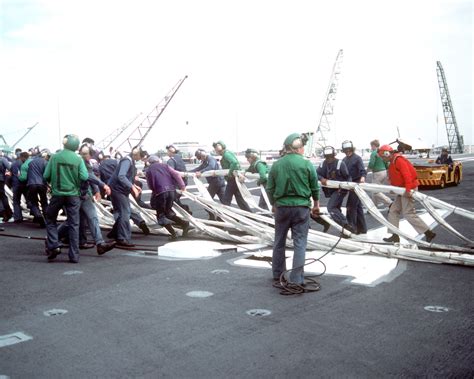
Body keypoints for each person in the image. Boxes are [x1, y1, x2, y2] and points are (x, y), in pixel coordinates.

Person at [267, 133, 320, 287]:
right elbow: (314, 187)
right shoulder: (306, 163)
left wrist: (273, 204)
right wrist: (316, 204)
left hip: (282, 207)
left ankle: (278, 274)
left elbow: (270, 188)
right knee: (300, 243)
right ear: (298, 147)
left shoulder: (277, 165)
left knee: (279, 241)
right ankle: (297, 279)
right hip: (301, 208)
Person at [58, 144, 116, 255]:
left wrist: (96, 191)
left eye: (87, 154)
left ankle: (100, 244)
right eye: (83, 154)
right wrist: (103, 185)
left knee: (93, 218)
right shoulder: (78, 162)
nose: (85, 156)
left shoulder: (86, 163)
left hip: (84, 195)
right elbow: (89, 176)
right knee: (72, 221)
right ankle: (52, 238)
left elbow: (90, 177)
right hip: (74, 196)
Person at [43, 134, 89, 263]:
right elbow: (85, 177)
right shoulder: (79, 159)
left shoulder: (55, 157)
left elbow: (46, 175)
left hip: (57, 194)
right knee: (74, 224)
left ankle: (53, 245)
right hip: (73, 195)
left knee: (50, 219)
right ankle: (74, 255)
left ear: (64, 143)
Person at [378, 144, 436, 243]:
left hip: (408, 189)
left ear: (387, 153)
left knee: (408, 213)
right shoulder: (392, 161)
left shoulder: (398, 160)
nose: (383, 159)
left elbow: (407, 175)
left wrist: (408, 190)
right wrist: (394, 188)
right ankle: (395, 236)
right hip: (401, 190)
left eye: (383, 157)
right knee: (393, 210)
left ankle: (428, 233)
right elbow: (394, 176)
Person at [107, 146, 148, 247]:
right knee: (126, 212)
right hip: (118, 190)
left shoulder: (130, 160)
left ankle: (116, 233)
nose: (141, 158)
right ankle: (123, 238)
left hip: (117, 189)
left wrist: (134, 186)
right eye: (141, 155)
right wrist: (132, 187)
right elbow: (121, 176)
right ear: (136, 154)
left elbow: (126, 177)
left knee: (121, 212)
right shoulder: (127, 160)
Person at [146, 155, 190, 240]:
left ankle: (173, 234)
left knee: (161, 216)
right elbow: (176, 174)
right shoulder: (165, 166)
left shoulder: (149, 170)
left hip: (161, 192)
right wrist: (182, 185)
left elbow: (150, 184)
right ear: (158, 160)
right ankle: (184, 224)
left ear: (149, 162)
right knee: (168, 212)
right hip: (171, 191)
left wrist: (154, 191)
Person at [317, 146, 353, 233]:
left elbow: (348, 177)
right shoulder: (323, 164)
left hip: (340, 190)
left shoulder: (340, 164)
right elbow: (316, 173)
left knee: (331, 207)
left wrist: (346, 188)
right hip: (331, 190)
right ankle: (344, 231)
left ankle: (346, 226)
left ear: (334, 155)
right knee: (336, 208)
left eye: (330, 156)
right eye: (327, 157)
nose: (329, 158)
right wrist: (321, 178)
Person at [213, 140, 252, 212]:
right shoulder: (226, 154)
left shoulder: (226, 154)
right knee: (240, 201)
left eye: (216, 147)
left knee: (226, 200)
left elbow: (234, 163)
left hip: (232, 179)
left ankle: (224, 217)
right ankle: (252, 217)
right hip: (234, 179)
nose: (215, 149)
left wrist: (230, 173)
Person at [189, 149, 226, 220]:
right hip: (219, 182)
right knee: (224, 202)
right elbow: (198, 168)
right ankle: (223, 217)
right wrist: (186, 172)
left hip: (215, 182)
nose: (200, 160)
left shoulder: (210, 159)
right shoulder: (205, 161)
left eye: (200, 157)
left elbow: (210, 167)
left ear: (203, 155)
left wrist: (201, 172)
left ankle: (214, 216)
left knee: (206, 201)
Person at [342, 140, 367, 234]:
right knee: (358, 207)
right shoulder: (344, 160)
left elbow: (362, 171)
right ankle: (363, 228)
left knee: (351, 206)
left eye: (349, 149)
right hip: (350, 186)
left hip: (357, 185)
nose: (347, 151)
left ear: (352, 149)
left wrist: (363, 178)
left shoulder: (357, 158)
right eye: (345, 150)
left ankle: (352, 227)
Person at [25, 148, 50, 227]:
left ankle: (38, 215)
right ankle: (47, 218)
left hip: (31, 184)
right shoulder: (45, 162)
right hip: (42, 184)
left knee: (33, 201)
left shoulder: (31, 162)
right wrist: (48, 184)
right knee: (44, 202)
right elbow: (47, 175)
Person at [166, 144, 191, 214]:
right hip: (183, 182)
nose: (167, 153)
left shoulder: (171, 161)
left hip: (176, 184)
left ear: (171, 151)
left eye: (168, 151)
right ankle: (183, 212)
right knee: (175, 200)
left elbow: (171, 173)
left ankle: (185, 211)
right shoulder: (180, 159)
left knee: (172, 200)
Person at [367, 139, 392, 207]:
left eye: (371, 146)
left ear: (374, 145)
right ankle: (374, 206)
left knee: (375, 191)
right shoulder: (382, 152)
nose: (371, 148)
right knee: (374, 190)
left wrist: (367, 171)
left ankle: (389, 202)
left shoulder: (374, 153)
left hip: (377, 173)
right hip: (384, 172)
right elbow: (386, 163)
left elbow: (371, 163)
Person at [10, 151, 30, 223]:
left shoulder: (14, 163)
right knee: (29, 200)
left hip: (16, 184)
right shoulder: (26, 163)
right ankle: (36, 215)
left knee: (16, 201)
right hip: (25, 184)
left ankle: (18, 218)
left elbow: (11, 172)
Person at [0, 153, 12, 222]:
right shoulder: (3, 159)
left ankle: (4, 214)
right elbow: (10, 168)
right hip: (1, 180)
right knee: (3, 197)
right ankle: (8, 213)